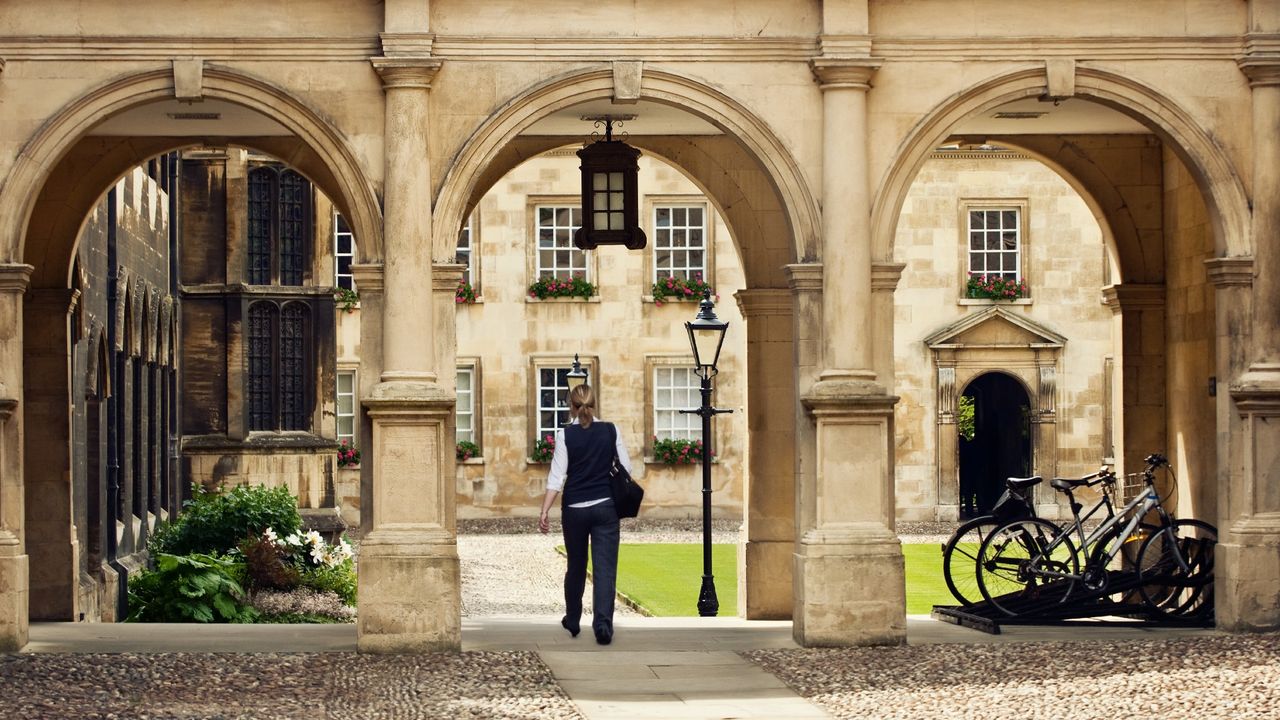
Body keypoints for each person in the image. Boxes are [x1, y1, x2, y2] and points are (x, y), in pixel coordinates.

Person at [538, 383, 632, 645]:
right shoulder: (611, 430)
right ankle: (602, 625)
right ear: (594, 403)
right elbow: (627, 466)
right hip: (605, 506)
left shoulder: (566, 435)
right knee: (604, 569)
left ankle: (573, 618)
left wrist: (545, 511)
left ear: (572, 406)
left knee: (576, 566)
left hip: (575, 509)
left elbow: (557, 478)